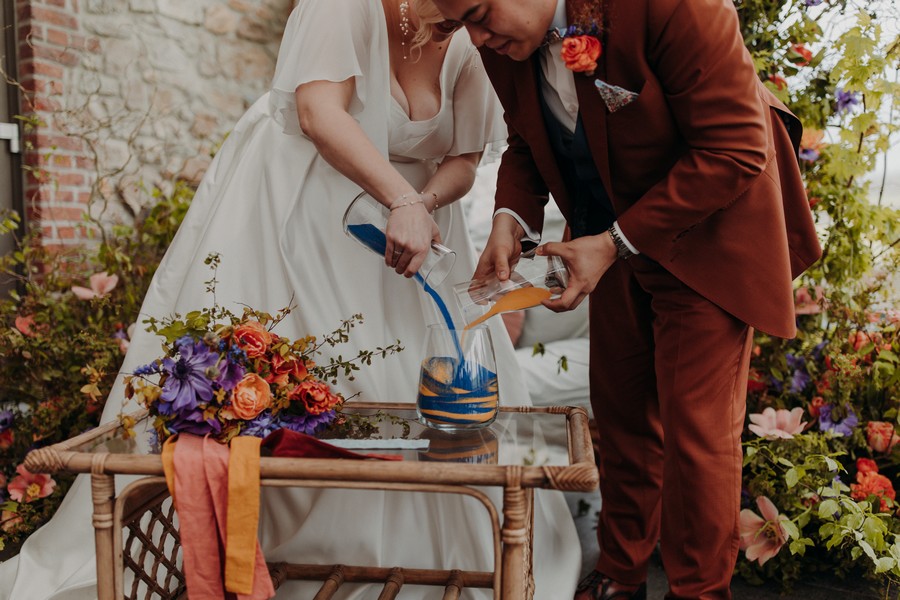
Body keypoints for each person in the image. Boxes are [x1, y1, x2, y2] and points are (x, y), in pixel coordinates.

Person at [0, 1, 582, 598]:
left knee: (421, 388)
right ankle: (284, 554)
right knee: (329, 386)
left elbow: (464, 157)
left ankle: (431, 560)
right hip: (310, 220)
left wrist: (422, 203)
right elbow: (318, 113)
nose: (472, 26)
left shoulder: (472, 28)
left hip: (417, 229)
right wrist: (398, 201)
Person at [426, 0, 823, 599]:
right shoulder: (499, 41)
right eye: (463, 25)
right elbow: (528, 143)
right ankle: (620, 574)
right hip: (605, 234)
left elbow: (737, 150)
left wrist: (613, 244)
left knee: (697, 432)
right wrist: (512, 216)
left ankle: (696, 591)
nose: (475, 37)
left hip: (708, 236)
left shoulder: (673, 6)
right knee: (622, 413)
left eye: (480, 14)